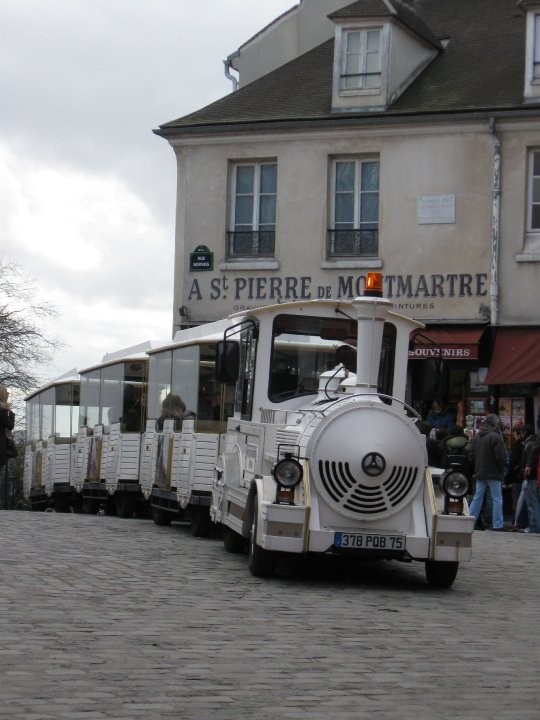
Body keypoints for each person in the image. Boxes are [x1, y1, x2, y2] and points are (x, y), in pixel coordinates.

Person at [467, 414, 506, 531]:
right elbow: (500, 457)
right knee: (497, 498)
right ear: (494, 424)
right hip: (493, 472)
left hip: (480, 471)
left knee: (477, 497)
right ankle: (497, 524)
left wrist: (476, 466)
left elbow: (470, 454)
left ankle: (470, 522)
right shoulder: (495, 437)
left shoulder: (476, 437)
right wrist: (501, 469)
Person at [503, 423, 529, 532]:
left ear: (519, 433)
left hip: (518, 479)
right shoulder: (527, 444)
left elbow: (513, 465)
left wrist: (507, 479)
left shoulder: (517, 447)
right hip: (525, 477)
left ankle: (518, 523)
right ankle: (523, 523)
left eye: (514, 433)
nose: (513, 435)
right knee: (525, 502)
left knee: (518, 502)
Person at [523, 429, 540, 533]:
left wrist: (529, 465)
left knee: (533, 503)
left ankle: (535, 527)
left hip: (535, 476)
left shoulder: (533, 444)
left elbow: (535, 450)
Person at [0, 384, 16, 468]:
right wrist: (11, 413)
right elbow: (10, 426)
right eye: (6, 392)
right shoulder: (2, 410)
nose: (8, 394)